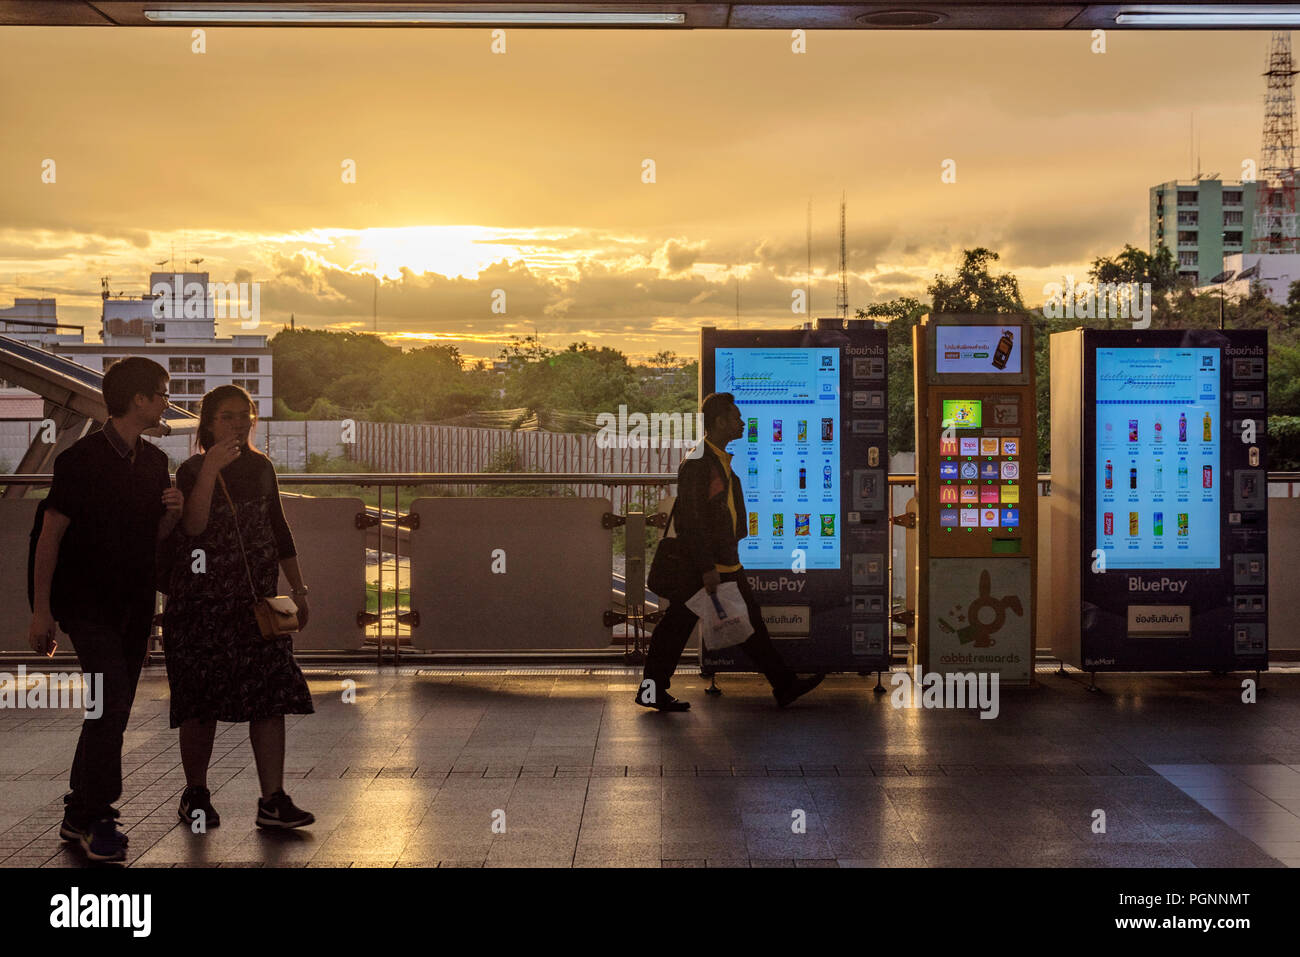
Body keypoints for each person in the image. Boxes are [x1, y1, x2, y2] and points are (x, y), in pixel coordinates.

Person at [28, 356, 182, 862]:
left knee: (106, 709)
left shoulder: (156, 463)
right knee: (110, 703)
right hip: (87, 604)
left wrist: (171, 516)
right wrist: (42, 612)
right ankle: (99, 815)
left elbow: (151, 541)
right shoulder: (80, 461)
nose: (166, 402)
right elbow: (50, 536)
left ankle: (79, 811)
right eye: (161, 393)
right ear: (138, 399)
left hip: (133, 606)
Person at [161, 384, 315, 829]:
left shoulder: (262, 467)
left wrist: (299, 590)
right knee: (199, 703)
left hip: (255, 605)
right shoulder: (191, 470)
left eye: (244, 414)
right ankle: (196, 794)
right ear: (208, 423)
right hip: (200, 606)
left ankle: (273, 798)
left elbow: (279, 529)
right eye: (227, 417)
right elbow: (194, 527)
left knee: (269, 699)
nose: (238, 423)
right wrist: (210, 469)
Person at [637, 392, 825, 712]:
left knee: (728, 623)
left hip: (723, 561)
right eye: (736, 418)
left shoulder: (718, 460)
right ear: (720, 422)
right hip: (707, 565)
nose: (741, 422)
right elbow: (691, 519)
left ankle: (782, 684)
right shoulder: (699, 462)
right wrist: (707, 566)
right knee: (680, 627)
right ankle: (782, 684)